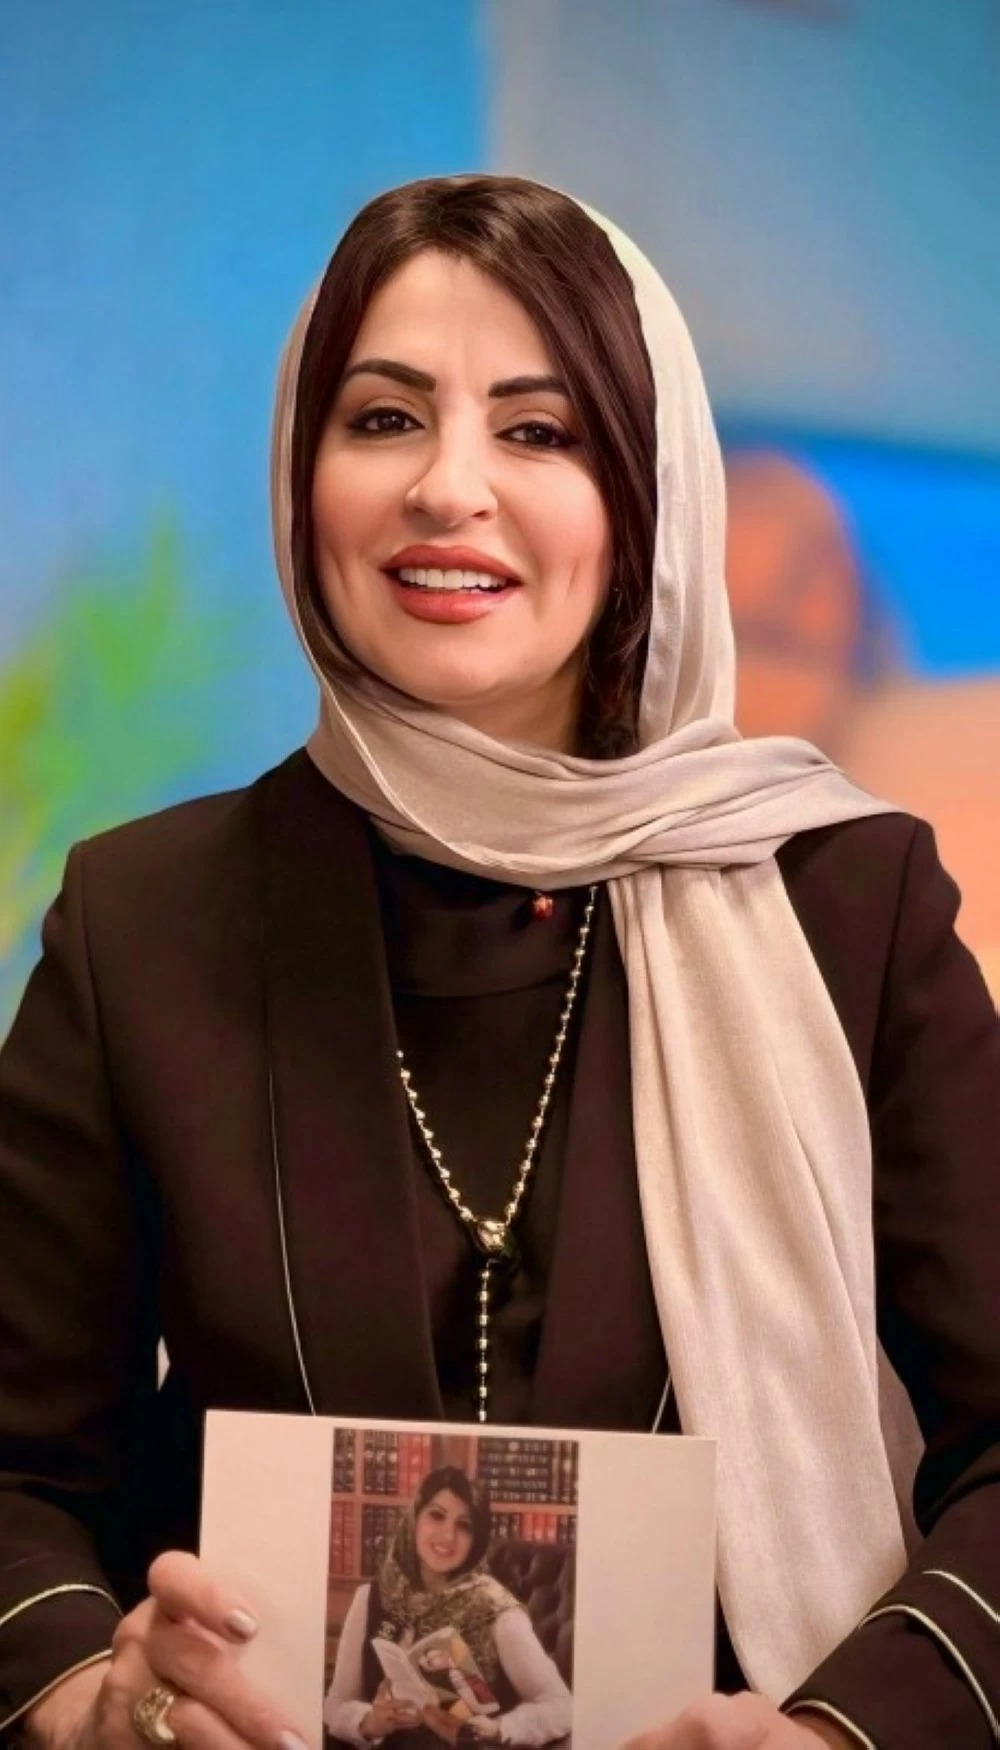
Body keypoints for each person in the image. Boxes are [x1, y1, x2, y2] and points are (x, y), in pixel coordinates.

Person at [0, 173, 997, 1750]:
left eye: (538, 431)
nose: (446, 487)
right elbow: (19, 1470)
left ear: (647, 493)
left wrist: (835, 1736)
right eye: (383, 419)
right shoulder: (145, 918)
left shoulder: (845, 905)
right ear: (303, 473)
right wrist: (80, 1698)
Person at [323, 1466, 571, 1748]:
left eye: (464, 1526)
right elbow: (336, 1703)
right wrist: (369, 1721)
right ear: (415, 1518)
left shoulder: (496, 1609)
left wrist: (496, 1729)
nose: (448, 1536)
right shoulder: (370, 1597)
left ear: (476, 1540)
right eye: (436, 1515)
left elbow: (560, 1707)